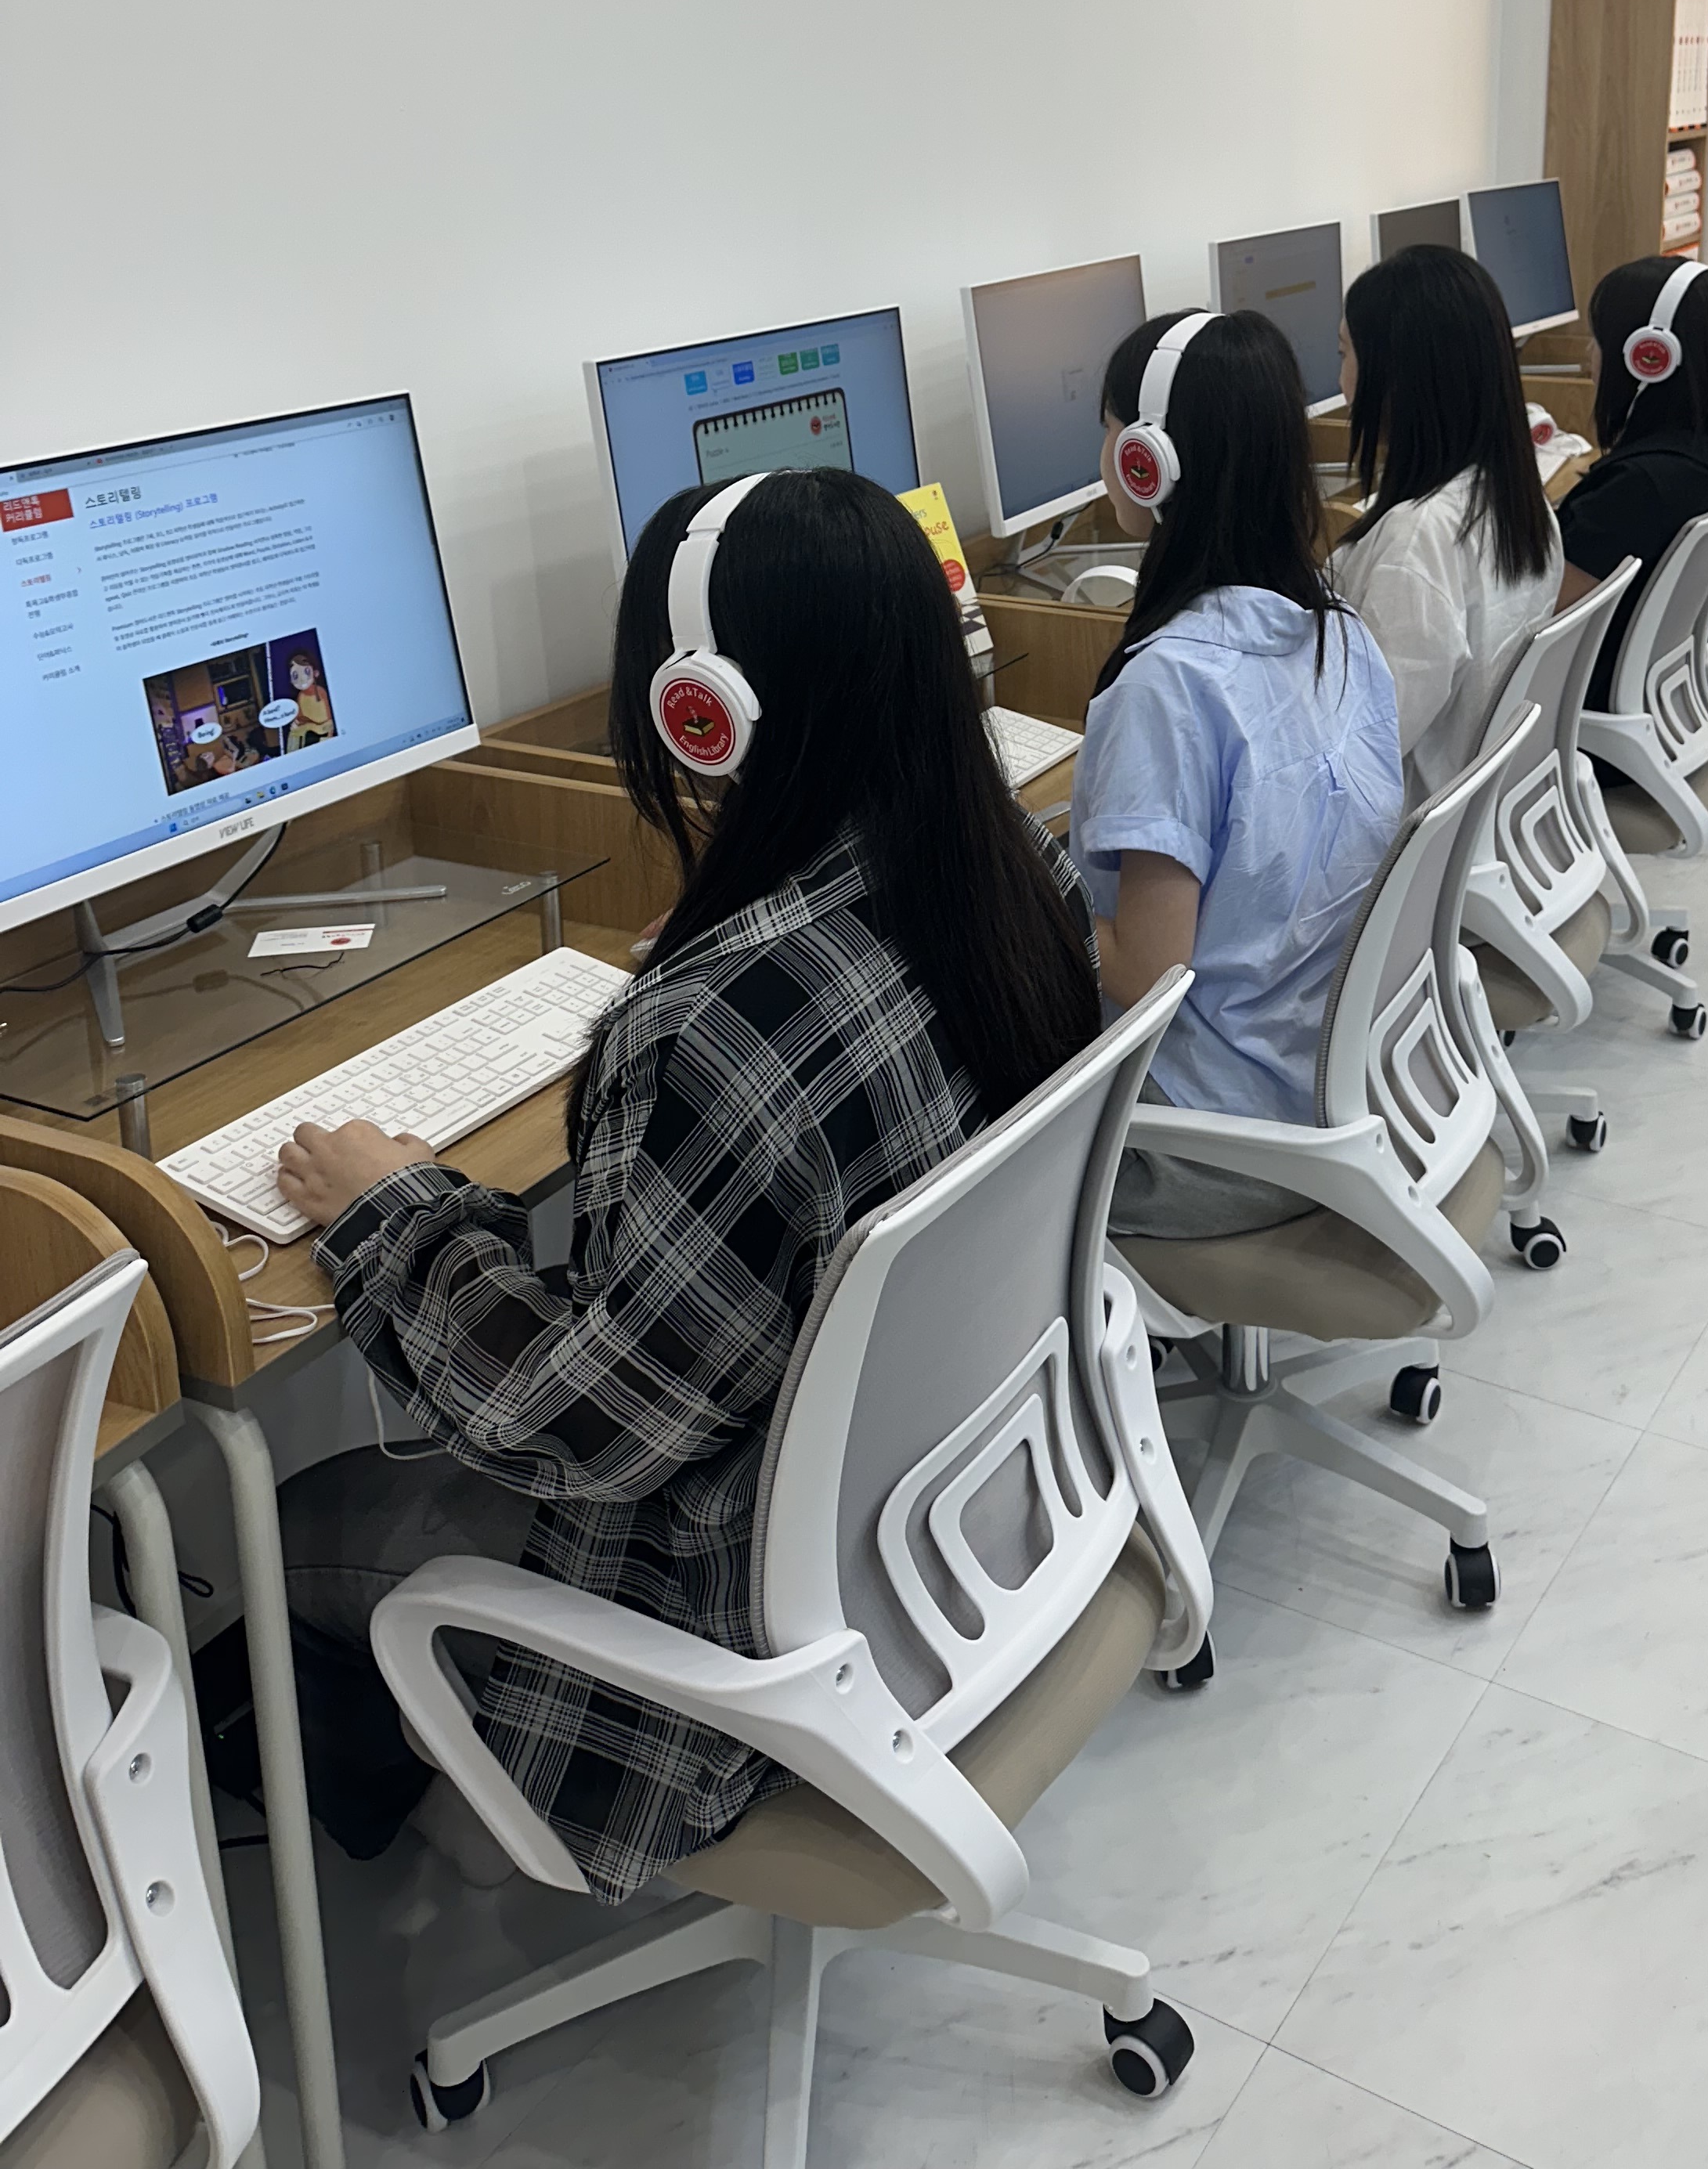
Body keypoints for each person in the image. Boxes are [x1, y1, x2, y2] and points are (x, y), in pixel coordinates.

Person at [269, 467, 1101, 1902]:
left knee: (288, 1524)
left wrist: (393, 1211)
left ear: (698, 711)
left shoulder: (714, 1029)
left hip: (733, 1646)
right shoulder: (1016, 865)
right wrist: (734, 928)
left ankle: (402, 1907)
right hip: (955, 1529)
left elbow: (584, 1430)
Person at [1073, 307, 1402, 1236]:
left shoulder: (1169, 686)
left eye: (1109, 431)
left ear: (1147, 462)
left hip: (1205, 1145)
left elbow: (1147, 971)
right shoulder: (1339, 632)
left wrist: (1011, 901)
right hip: (1331, 1089)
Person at [1327, 243, 1561, 799]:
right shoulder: (1517, 497)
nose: (1341, 383)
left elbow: (1366, 750)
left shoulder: (1418, 542)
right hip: (1484, 812)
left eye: (1344, 354)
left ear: (1393, 377)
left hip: (1409, 828)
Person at [1555, 256, 1708, 700]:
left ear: (1650, 359)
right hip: (1651, 686)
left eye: (1598, 339)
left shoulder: (1634, 489)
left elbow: (1545, 621)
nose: (1589, 355)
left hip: (1577, 703)